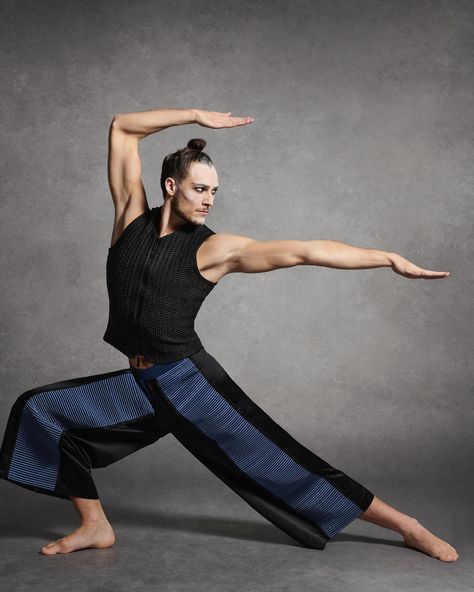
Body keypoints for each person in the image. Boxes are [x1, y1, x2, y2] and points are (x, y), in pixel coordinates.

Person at [0, 107, 458, 562]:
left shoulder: (214, 248)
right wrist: (195, 116)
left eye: (214, 192)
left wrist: (386, 257)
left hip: (191, 384)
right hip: (141, 387)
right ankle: (95, 525)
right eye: (200, 189)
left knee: (287, 465)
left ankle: (409, 527)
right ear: (170, 186)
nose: (208, 200)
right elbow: (122, 127)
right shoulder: (128, 221)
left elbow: (303, 251)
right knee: (39, 410)